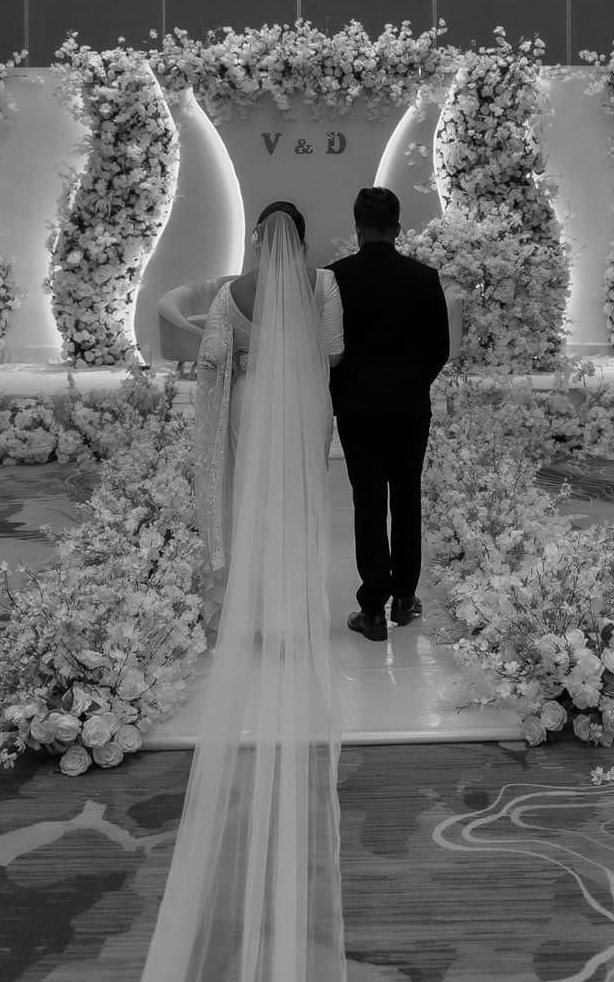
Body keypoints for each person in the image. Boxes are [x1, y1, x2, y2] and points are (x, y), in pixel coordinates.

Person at [142, 201, 347, 982]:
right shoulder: (324, 286)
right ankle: (299, 615)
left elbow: (211, 361)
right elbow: (331, 351)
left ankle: (259, 616)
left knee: (257, 511)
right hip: (305, 405)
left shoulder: (233, 292)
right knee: (302, 511)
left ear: (261, 238)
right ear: (304, 236)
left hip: (258, 403)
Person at [325, 187, 451, 642]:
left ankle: (372, 608)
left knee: (369, 501)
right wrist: (413, 384)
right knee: (406, 497)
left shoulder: (334, 278)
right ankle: (404, 598)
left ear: (356, 229)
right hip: (409, 405)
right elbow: (440, 349)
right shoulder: (423, 277)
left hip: (356, 407)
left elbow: (329, 347)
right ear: (398, 229)